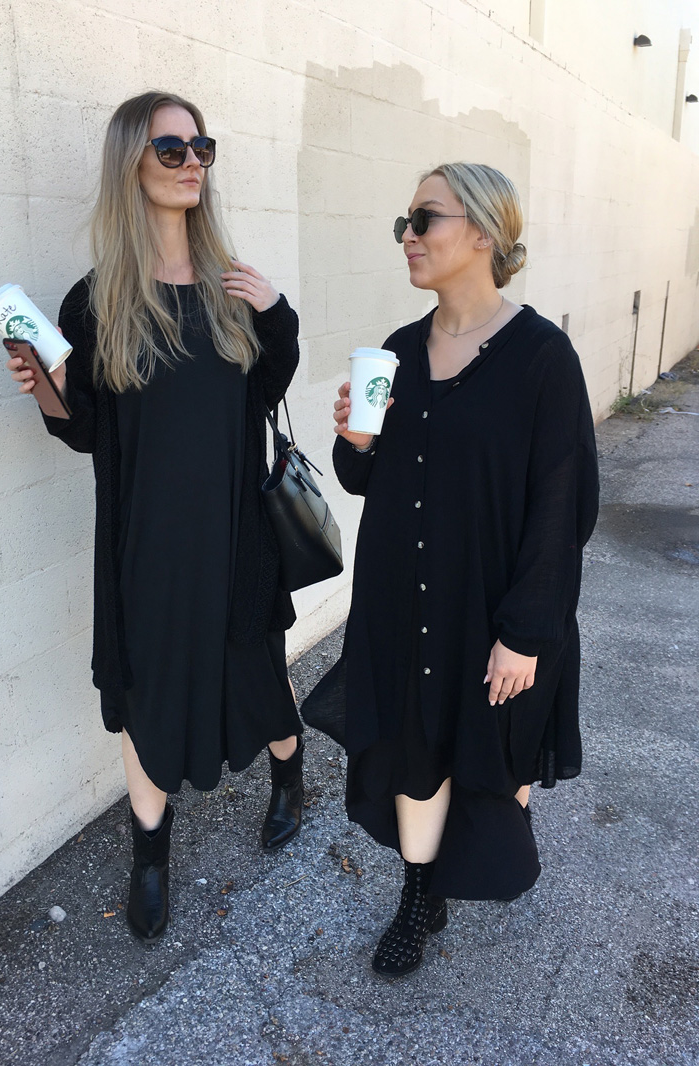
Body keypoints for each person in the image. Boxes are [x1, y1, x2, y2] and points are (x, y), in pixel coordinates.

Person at [4, 91, 305, 944]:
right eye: (171, 150)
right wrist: (48, 394)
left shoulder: (233, 290)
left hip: (235, 529)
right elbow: (89, 431)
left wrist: (277, 312)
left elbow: (268, 388)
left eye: (202, 146)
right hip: (146, 539)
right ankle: (149, 857)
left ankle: (290, 773)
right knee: (143, 687)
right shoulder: (95, 302)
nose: (192, 163)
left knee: (255, 666)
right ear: (131, 163)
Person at [304, 162, 599, 977]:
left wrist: (526, 633)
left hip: (490, 604)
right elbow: (369, 478)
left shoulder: (543, 358)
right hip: (402, 596)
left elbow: (562, 506)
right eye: (403, 221)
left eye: (422, 219)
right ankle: (415, 896)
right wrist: (355, 442)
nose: (407, 235)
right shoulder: (400, 349)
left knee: (491, 763)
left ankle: (449, 873)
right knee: (411, 747)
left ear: (482, 232)